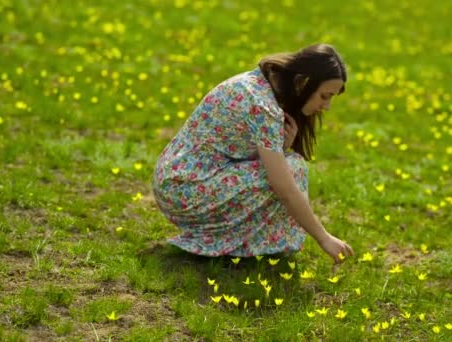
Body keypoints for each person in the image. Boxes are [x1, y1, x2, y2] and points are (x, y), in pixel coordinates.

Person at [152, 43, 354, 263]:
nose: (327, 106)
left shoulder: (259, 82)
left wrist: (281, 147)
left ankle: (242, 246)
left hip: (177, 181)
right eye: (325, 96)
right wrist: (324, 238)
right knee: (293, 169)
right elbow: (284, 189)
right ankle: (238, 249)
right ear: (302, 82)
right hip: (184, 189)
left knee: (290, 164)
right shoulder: (263, 106)